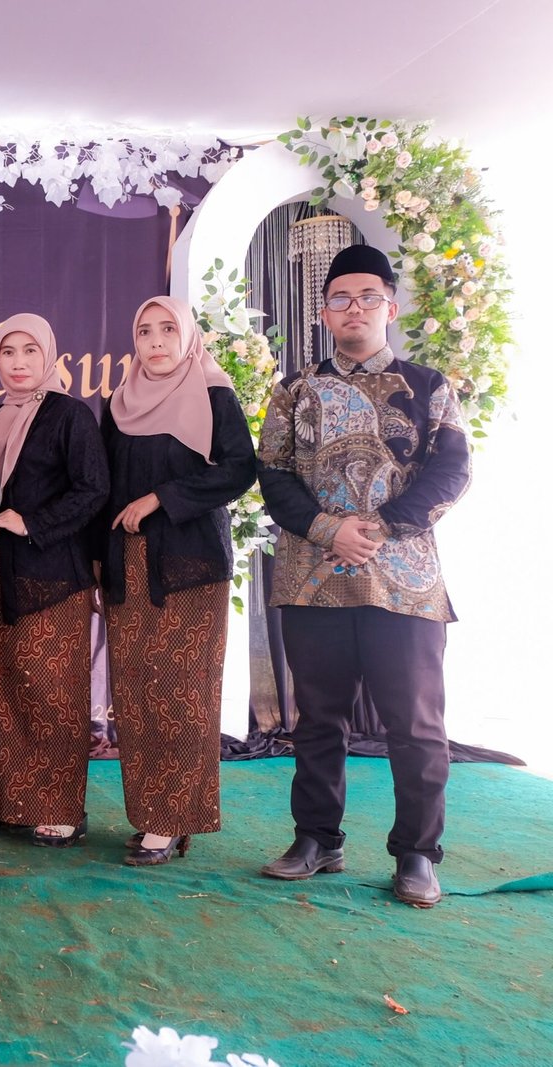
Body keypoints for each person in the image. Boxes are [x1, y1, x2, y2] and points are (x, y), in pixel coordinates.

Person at [257, 244, 471, 908]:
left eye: (368, 297)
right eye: (341, 299)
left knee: (415, 723)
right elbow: (273, 475)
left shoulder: (429, 386)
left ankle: (417, 853)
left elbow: (453, 471)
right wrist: (330, 529)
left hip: (402, 581)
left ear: (390, 307)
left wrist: (377, 528)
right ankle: (317, 839)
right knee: (317, 719)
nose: (355, 308)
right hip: (313, 577)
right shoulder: (294, 389)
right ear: (324, 312)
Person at [100, 296, 256, 866]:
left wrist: (162, 498)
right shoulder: (119, 403)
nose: (157, 341)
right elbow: (103, 489)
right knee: (136, 691)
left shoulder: (213, 395)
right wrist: (98, 560)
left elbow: (240, 468)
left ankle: (172, 819)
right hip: (127, 565)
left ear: (187, 335)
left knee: (182, 691)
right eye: (145, 331)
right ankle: (151, 814)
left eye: (168, 329)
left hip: (190, 564)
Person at [0, 313, 109, 847]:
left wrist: (32, 522)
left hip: (52, 573)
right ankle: (12, 803)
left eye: (30, 351)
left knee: (52, 692)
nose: (18, 362)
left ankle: (61, 808)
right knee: (3, 687)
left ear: (50, 356)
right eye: (8, 352)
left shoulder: (69, 415)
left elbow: (93, 489)